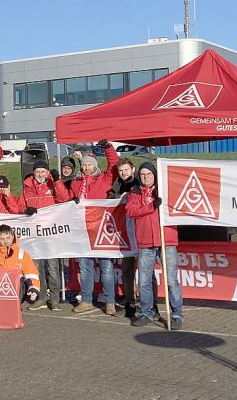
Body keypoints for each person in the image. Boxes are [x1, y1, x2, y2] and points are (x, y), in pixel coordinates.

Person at [126, 161, 183, 330]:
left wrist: (159, 201)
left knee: (171, 280)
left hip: (166, 240)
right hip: (145, 242)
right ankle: (146, 313)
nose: (145, 177)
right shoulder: (135, 192)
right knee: (144, 280)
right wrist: (151, 206)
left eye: (149, 174)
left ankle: (177, 314)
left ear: (155, 175)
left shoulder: (165, 189)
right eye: (143, 174)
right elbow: (132, 211)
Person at [70, 140, 120, 315]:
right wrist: (71, 201)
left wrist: (108, 148)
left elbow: (114, 164)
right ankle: (86, 300)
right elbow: (66, 203)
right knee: (85, 267)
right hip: (83, 231)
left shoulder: (104, 179)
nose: (88, 167)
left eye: (91, 164)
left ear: (95, 166)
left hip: (102, 230)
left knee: (106, 267)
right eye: (85, 165)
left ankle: (110, 302)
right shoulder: (76, 183)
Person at [20, 160, 71, 310]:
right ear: (34, 173)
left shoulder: (52, 185)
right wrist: (25, 210)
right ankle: (41, 297)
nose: (40, 174)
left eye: (43, 171)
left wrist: (57, 181)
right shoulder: (27, 189)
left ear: (47, 173)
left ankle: (54, 298)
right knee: (37, 267)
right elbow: (20, 205)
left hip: (51, 234)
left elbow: (63, 199)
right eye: (38, 172)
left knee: (53, 267)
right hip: (35, 235)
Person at [110, 157, 140, 318]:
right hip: (125, 235)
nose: (123, 173)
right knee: (127, 271)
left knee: (145, 271)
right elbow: (108, 201)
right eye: (121, 171)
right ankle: (130, 302)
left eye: (126, 170)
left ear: (132, 169)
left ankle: (151, 304)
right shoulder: (117, 185)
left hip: (141, 233)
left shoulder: (140, 183)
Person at [0, 225, 41, 307]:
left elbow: (31, 274)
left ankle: (16, 309)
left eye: (8, 238)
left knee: (22, 282)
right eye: (2, 239)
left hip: (18, 288)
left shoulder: (22, 253)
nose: (6, 241)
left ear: (13, 237)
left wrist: (33, 290)